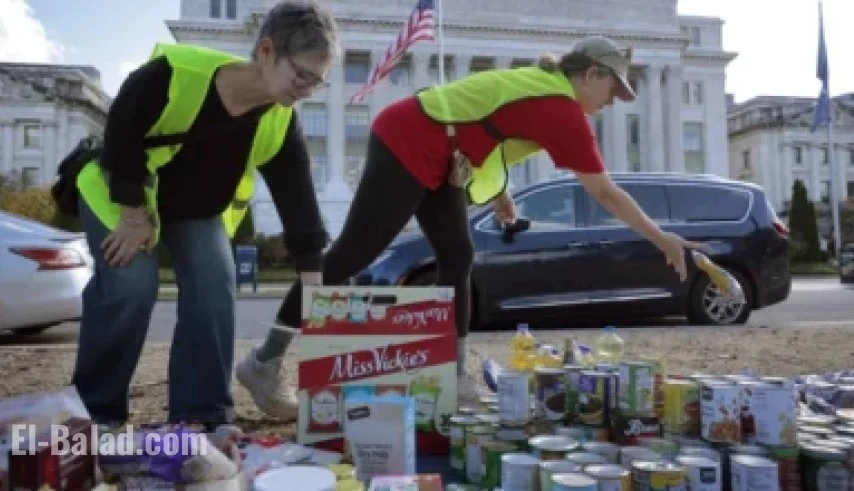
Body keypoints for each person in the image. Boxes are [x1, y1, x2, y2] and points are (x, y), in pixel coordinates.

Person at [237, 35, 698, 413]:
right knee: (352, 254)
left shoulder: (543, 88)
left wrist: (499, 193)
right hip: (408, 137)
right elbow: (604, 191)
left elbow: (489, 123)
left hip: (443, 153)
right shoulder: (561, 107)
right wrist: (661, 238)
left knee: (458, 254)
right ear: (591, 74)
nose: (614, 102)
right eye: (613, 90)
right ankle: (264, 360)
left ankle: (454, 376)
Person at [71, 1, 338, 426]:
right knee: (130, 282)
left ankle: (203, 415)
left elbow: (298, 199)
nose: (307, 88)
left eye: (318, 81)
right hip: (123, 194)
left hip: (195, 211)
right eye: (302, 74)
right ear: (266, 51)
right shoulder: (174, 75)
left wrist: (314, 281)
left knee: (216, 286)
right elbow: (121, 134)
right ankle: (97, 413)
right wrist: (135, 216)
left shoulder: (280, 120)